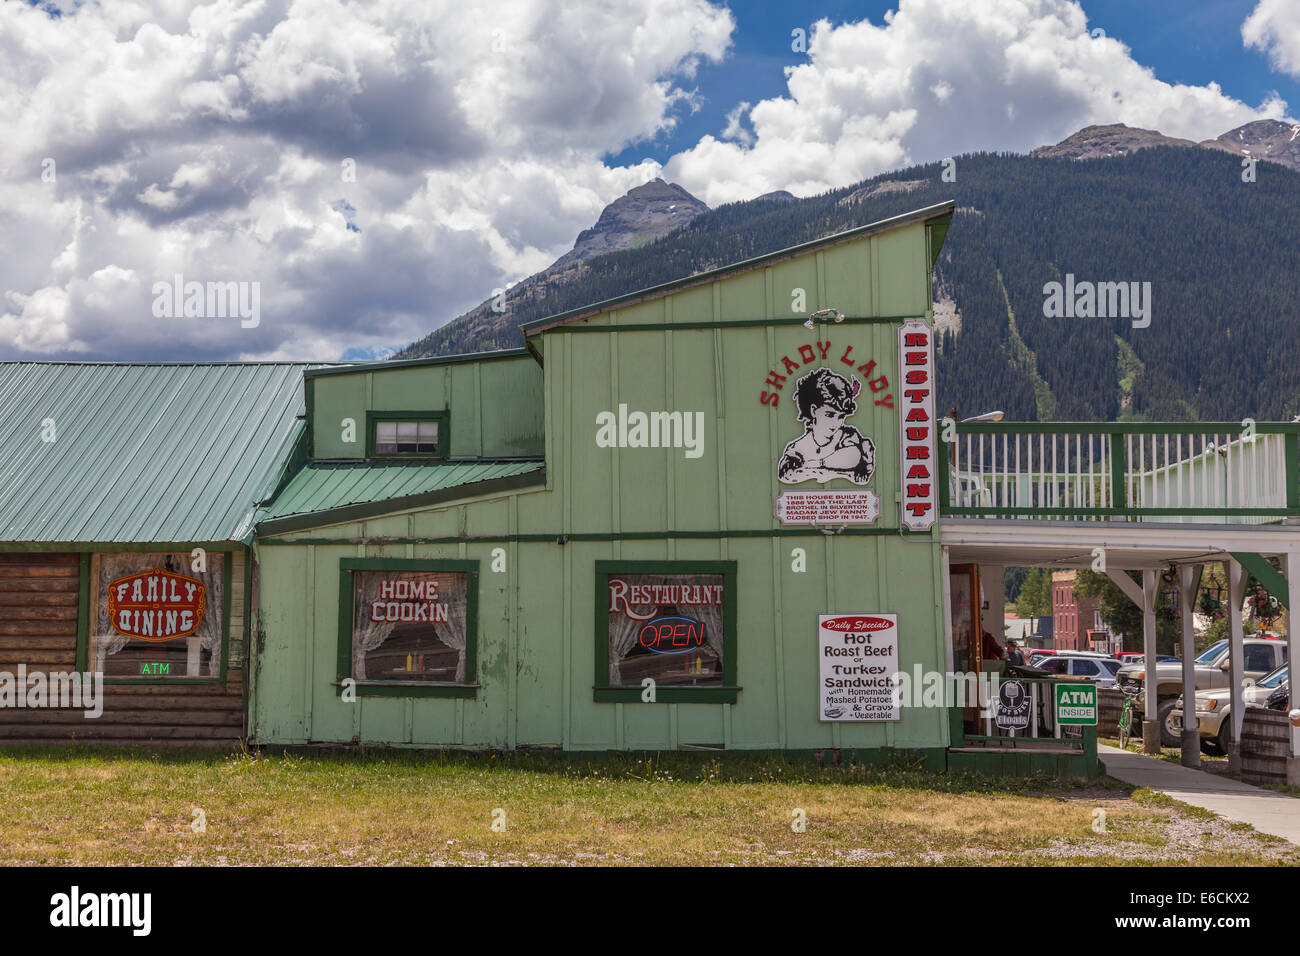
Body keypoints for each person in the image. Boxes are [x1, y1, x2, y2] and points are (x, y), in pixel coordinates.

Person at [777, 367, 875, 485]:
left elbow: (853, 457)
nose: (835, 423)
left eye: (840, 417)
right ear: (814, 411)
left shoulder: (846, 436)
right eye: (829, 415)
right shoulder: (798, 447)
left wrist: (818, 463)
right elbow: (784, 475)